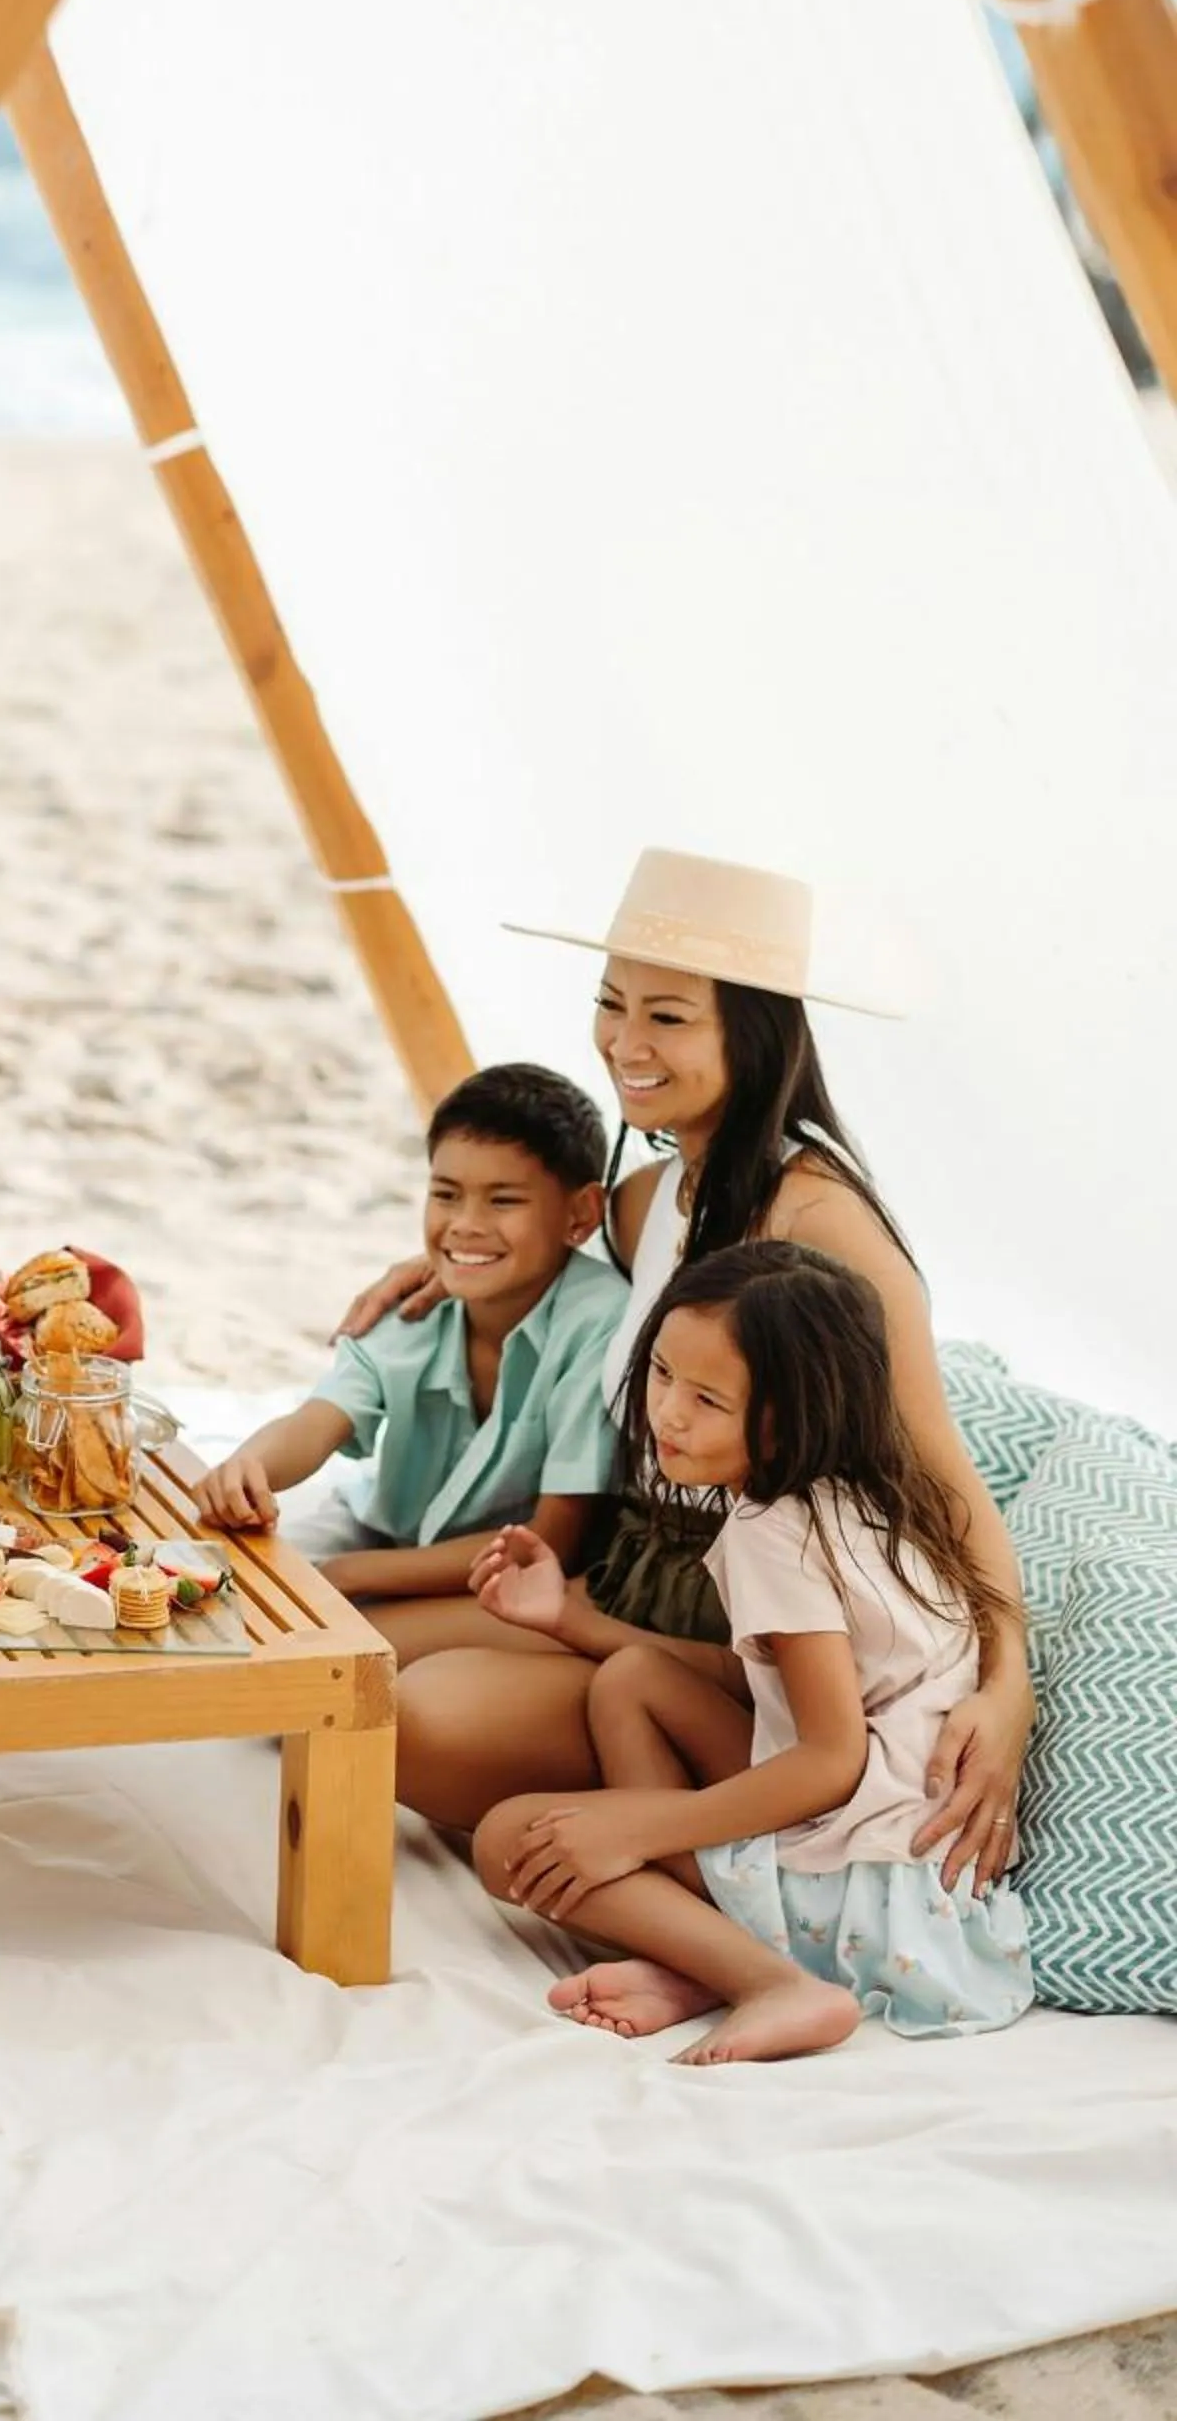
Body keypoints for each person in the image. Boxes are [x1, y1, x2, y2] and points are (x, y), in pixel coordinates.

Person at [341, 850, 1033, 1884]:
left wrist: (1006, 1691)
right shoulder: (648, 1194)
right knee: (331, 1651)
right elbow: (545, 1242)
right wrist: (450, 1258)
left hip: (740, 1627)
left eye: (666, 1016)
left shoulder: (817, 1219)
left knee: (403, 1719)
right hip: (628, 1580)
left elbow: (938, 1468)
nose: (623, 1042)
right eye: (610, 1004)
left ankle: (694, 1870)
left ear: (748, 1037)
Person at [471, 1242, 1032, 2062]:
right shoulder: (876, 1494)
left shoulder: (772, 1531)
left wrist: (639, 1827)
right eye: (661, 1375)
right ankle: (701, 1956)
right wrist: (569, 1620)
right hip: (924, 1888)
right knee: (632, 1680)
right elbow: (761, 1679)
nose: (667, 1414)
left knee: (508, 1839)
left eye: (707, 1399)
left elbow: (831, 1757)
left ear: (791, 1415)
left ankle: (772, 1981)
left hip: (864, 1886)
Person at [194, 1065, 625, 1662]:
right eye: (446, 1194)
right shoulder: (418, 1305)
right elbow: (316, 1421)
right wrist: (249, 1466)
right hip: (383, 1530)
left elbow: (551, 1541)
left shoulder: (598, 1322)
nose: (466, 1224)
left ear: (580, 1215)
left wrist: (355, 1575)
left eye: (504, 1200)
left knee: (310, 1652)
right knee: (224, 1591)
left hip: (505, 1578)